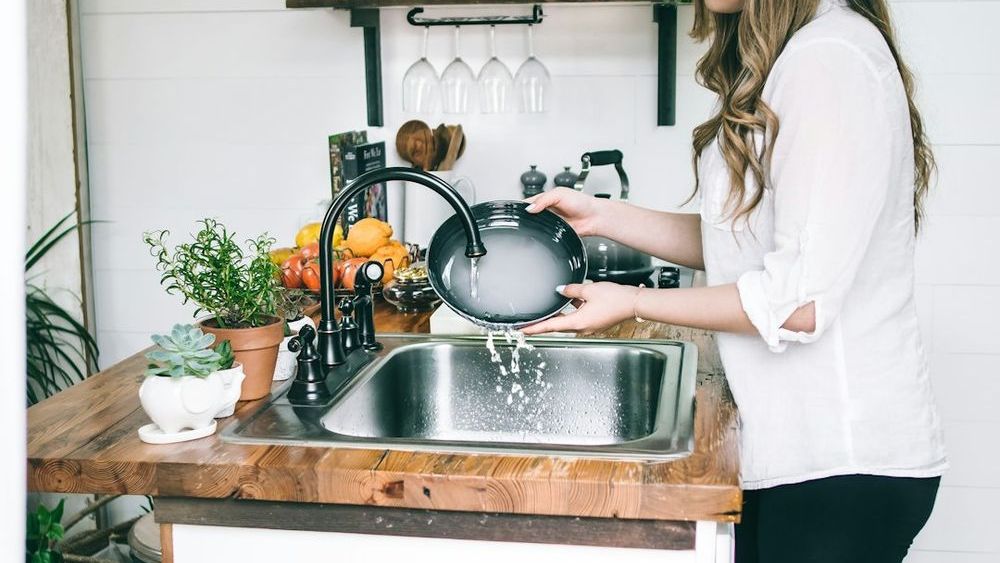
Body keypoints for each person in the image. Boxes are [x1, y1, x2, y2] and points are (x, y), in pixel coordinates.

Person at [522, 0, 947, 561]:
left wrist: (633, 301)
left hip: (842, 464)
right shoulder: (803, 53)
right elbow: (744, 244)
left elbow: (798, 303)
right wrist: (601, 216)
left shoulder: (829, 59)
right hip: (804, 456)